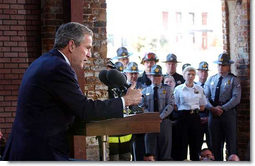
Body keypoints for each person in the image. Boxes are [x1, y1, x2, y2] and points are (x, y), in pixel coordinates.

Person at [1, 22, 142, 161]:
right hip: (40, 153)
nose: (89, 55)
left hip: (26, 148)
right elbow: (85, 109)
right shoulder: (59, 68)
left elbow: (69, 108)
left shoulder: (43, 61)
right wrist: (126, 100)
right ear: (72, 45)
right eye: (87, 48)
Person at [204, 53, 241, 161]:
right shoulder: (211, 79)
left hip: (228, 113)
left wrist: (223, 108)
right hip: (213, 113)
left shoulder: (234, 80)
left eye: (223, 65)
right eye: (219, 65)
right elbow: (204, 97)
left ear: (228, 66)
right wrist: (211, 108)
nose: (221, 67)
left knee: (231, 143)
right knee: (214, 144)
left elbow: (236, 98)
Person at [140, 65, 175, 161]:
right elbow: (142, 106)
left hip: (164, 122)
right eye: (154, 76)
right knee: (151, 152)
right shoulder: (145, 90)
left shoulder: (167, 89)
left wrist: (161, 116)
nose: (156, 78)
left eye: (158, 76)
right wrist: (151, 117)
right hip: (150, 124)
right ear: (150, 76)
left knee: (165, 153)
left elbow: (171, 104)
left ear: (162, 77)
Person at [173, 66, 207, 161]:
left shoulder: (199, 89)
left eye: (193, 74)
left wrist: (193, 110)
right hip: (183, 117)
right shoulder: (178, 89)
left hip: (195, 117)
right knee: (182, 145)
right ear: (184, 75)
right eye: (188, 74)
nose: (190, 76)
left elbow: (203, 105)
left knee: (195, 145)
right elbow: (175, 105)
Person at [135, 52, 158, 161]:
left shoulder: (160, 78)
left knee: (156, 149)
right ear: (143, 63)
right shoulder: (138, 80)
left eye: (152, 62)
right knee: (141, 149)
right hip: (142, 118)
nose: (149, 64)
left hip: (157, 118)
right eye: (147, 62)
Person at [162, 53, 185, 161]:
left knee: (177, 145)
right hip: (165, 118)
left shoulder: (181, 79)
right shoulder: (161, 78)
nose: (171, 66)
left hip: (178, 118)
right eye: (169, 64)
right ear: (166, 65)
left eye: (173, 64)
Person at [196, 61, 211, 150]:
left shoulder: (211, 85)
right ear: (198, 72)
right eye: (201, 71)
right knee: (197, 144)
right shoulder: (193, 86)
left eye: (205, 71)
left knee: (211, 144)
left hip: (210, 117)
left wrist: (209, 117)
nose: (203, 74)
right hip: (198, 118)